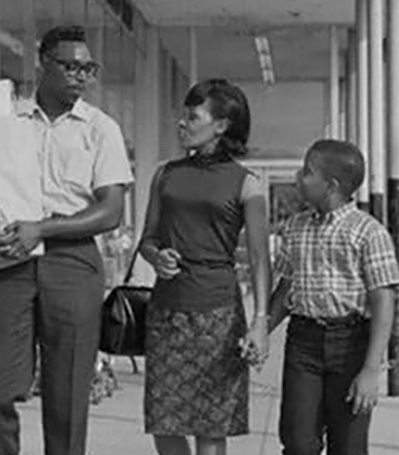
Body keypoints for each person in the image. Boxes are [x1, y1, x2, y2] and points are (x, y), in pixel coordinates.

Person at [0, 25, 133, 455]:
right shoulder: (4, 119)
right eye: (70, 66)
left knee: (67, 399)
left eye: (88, 68)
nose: (81, 76)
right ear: (43, 64)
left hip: (73, 261)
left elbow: (111, 210)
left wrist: (41, 229)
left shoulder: (101, 129)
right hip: (12, 264)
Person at [139, 79, 271, 455]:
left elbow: (261, 258)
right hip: (166, 314)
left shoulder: (248, 184)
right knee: (164, 421)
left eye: (193, 115)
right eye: (183, 115)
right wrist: (156, 257)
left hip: (220, 317)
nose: (182, 122)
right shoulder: (164, 174)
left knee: (212, 428)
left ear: (221, 125)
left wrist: (260, 322)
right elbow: (146, 241)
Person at [267, 139, 399, 455]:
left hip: (351, 345)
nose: (299, 177)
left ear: (331, 186)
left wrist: (370, 370)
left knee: (349, 446)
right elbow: (286, 290)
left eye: (307, 171)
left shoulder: (368, 232)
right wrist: (261, 331)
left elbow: (384, 301)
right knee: (298, 443)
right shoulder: (296, 227)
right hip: (304, 343)